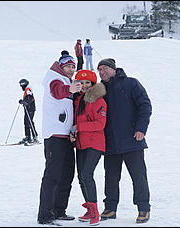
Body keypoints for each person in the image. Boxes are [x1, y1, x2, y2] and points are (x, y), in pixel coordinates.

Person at [97, 58, 152, 223]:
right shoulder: (100, 90)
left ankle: (143, 208)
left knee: (138, 176)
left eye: (105, 68)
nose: (102, 71)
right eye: (99, 69)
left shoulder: (130, 83)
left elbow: (145, 105)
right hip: (110, 142)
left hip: (132, 139)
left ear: (114, 69)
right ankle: (110, 208)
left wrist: (141, 129)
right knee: (111, 177)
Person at [37, 50, 82, 225]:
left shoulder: (66, 79)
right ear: (61, 66)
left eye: (73, 67)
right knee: (53, 175)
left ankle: (58, 210)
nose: (71, 69)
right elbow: (57, 91)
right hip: (55, 136)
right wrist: (69, 89)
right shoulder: (54, 78)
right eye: (68, 66)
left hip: (65, 137)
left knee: (66, 175)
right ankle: (45, 215)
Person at [71, 70, 107, 226]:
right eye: (81, 82)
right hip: (80, 143)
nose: (84, 86)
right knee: (81, 176)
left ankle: (94, 210)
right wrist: (72, 132)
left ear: (93, 84)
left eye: (88, 83)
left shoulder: (98, 101)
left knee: (87, 174)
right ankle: (89, 207)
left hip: (95, 143)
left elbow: (100, 124)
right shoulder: (78, 100)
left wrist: (78, 126)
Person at [18, 79, 39, 145]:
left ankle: (35, 137)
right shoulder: (27, 90)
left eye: (21, 86)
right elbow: (27, 98)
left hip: (30, 109)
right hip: (28, 109)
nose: (21, 87)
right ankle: (28, 137)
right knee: (26, 122)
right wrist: (23, 101)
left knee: (29, 122)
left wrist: (25, 102)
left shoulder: (28, 89)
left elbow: (30, 98)